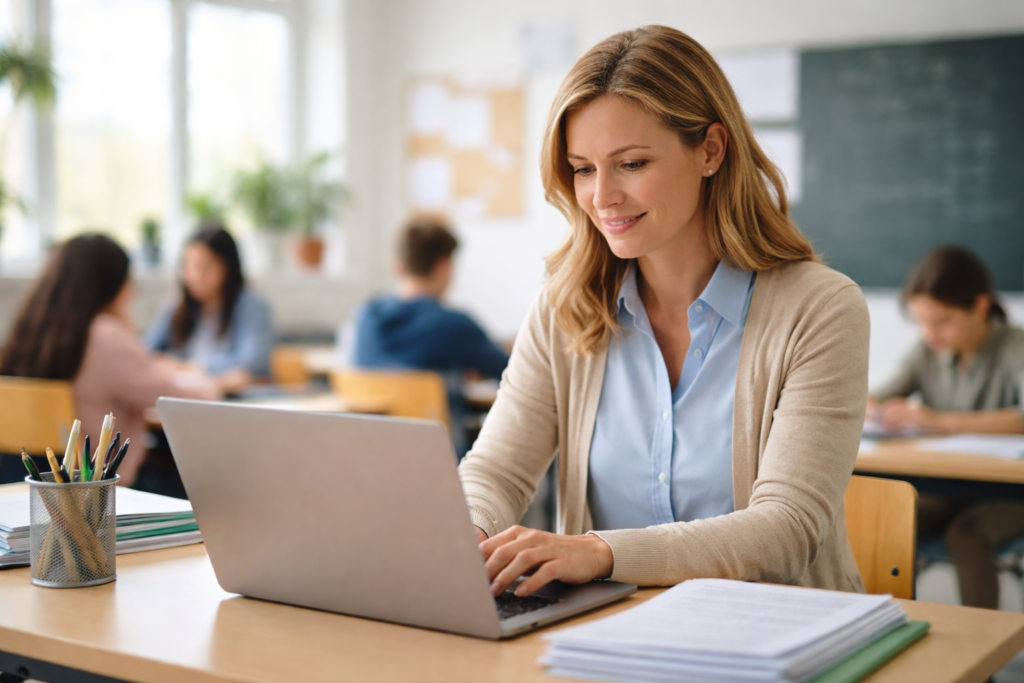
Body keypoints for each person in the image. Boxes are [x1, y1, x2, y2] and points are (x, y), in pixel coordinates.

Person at [458, 25, 870, 600]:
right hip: (609, 637)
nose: (602, 196)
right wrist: (469, 535)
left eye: (630, 164)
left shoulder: (820, 310)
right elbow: (495, 470)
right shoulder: (566, 305)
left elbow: (786, 529)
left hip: (777, 637)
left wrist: (601, 552)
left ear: (710, 150)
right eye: (582, 168)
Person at [870, 246, 1024, 609]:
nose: (929, 334)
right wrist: (880, 412)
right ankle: (883, 630)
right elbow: (873, 398)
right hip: (953, 484)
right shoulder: (927, 349)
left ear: (980, 308)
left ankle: (981, 661)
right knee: (895, 521)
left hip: (1011, 492)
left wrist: (938, 421)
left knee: (965, 534)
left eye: (941, 322)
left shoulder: (1015, 347)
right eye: (921, 322)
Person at [0, 233, 219, 487]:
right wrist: (208, 381)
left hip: (32, 492)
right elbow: (191, 399)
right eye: (129, 281)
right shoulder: (104, 335)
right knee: (214, 485)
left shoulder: (33, 331)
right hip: (105, 494)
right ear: (111, 285)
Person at [345, 217, 509, 379]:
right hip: (434, 407)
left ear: (398, 265)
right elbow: (517, 375)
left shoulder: (366, 315)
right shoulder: (454, 325)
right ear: (443, 267)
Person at [144, 224, 274, 395]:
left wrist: (189, 367)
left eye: (205, 267)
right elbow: (145, 352)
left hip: (230, 404)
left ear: (228, 268)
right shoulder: (178, 305)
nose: (195, 276)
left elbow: (253, 363)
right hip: (184, 401)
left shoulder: (252, 306)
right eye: (188, 267)